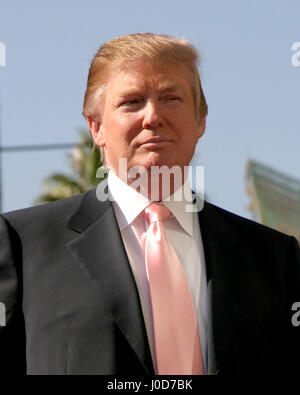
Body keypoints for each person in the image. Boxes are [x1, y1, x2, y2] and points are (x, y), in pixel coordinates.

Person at [0, 33, 299, 376]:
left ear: (200, 120)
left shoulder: (275, 258)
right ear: (96, 127)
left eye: (171, 98)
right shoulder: (23, 246)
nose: (153, 116)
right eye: (131, 102)